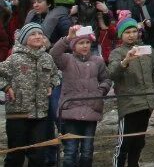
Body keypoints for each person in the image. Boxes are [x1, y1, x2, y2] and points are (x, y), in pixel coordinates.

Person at [0, 23, 61, 166]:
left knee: (39, 155)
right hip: (18, 114)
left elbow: (56, 74)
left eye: (40, 34)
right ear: (24, 38)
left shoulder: (47, 58)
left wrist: (51, 85)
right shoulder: (14, 59)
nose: (38, 36)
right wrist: (7, 87)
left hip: (40, 114)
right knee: (16, 154)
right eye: (33, 34)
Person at [52, 26, 110, 167]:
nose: (85, 46)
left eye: (87, 42)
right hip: (71, 111)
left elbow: (106, 79)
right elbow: (54, 54)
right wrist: (68, 38)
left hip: (91, 111)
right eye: (80, 43)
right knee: (70, 150)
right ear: (73, 45)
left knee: (87, 150)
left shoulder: (98, 61)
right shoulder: (67, 60)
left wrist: (100, 92)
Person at [107, 18, 154, 167]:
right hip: (129, 105)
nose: (131, 35)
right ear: (121, 35)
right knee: (124, 143)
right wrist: (126, 61)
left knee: (138, 142)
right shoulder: (117, 53)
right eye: (127, 32)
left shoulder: (148, 50)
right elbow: (112, 74)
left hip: (147, 103)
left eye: (134, 31)